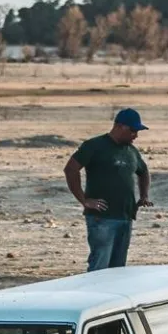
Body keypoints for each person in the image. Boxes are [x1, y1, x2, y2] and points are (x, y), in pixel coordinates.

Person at [64, 108, 153, 272]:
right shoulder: (94, 146)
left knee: (118, 270)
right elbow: (71, 169)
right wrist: (84, 200)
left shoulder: (131, 151)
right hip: (102, 219)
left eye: (137, 131)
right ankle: (93, 297)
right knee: (100, 266)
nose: (136, 135)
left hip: (125, 217)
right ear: (119, 126)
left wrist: (144, 195)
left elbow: (144, 172)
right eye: (132, 130)